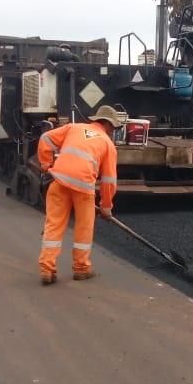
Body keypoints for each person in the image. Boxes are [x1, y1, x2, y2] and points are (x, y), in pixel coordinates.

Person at [36, 105, 122, 285]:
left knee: (54, 225)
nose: (113, 132)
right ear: (107, 125)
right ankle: (81, 269)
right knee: (83, 229)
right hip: (83, 190)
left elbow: (45, 138)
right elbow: (108, 181)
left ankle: (47, 270)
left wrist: (46, 165)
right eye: (113, 128)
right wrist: (106, 207)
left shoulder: (74, 128)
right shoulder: (107, 144)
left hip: (59, 183)